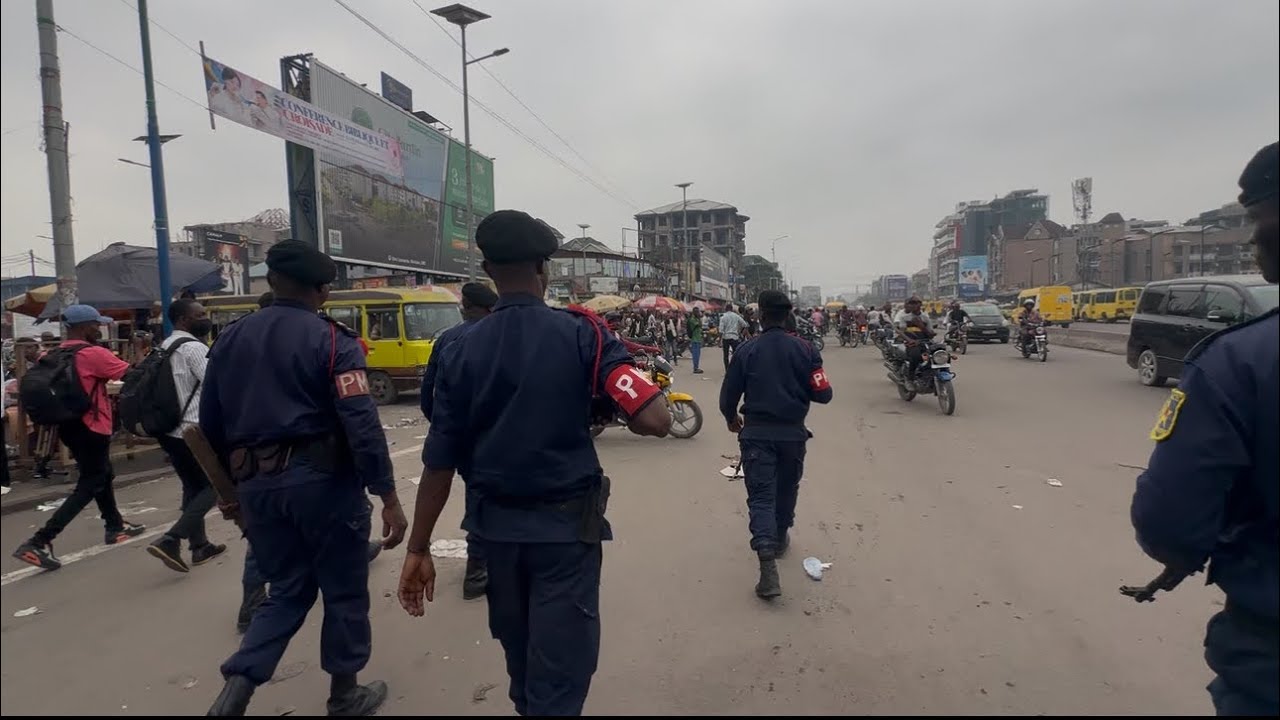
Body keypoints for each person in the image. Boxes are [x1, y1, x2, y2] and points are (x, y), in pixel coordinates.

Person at [397, 210, 672, 717]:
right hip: (565, 534)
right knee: (561, 674)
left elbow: (439, 460)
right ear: (544, 269)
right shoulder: (585, 335)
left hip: (494, 534)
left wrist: (419, 546)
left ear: (488, 271)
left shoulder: (457, 348)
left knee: (521, 661)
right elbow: (656, 420)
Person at [202, 240, 407, 716]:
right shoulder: (334, 341)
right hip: (323, 486)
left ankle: (234, 695)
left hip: (256, 486)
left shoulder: (230, 340)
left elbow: (209, 424)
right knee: (344, 590)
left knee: (286, 590)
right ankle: (345, 695)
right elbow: (361, 424)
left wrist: (230, 492)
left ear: (271, 281)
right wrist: (388, 495)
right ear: (324, 291)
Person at [1130, 141, 1279, 717]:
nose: (1251, 239)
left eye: (1258, 218)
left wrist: (1187, 552)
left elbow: (1171, 515)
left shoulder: (1241, 361)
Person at [12, 305, 144, 570]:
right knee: (91, 481)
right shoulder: (93, 353)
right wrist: (141, 350)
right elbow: (134, 375)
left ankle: (114, 525)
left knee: (102, 474)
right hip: (93, 425)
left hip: (68, 425)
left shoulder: (53, 354)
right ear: (84, 327)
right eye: (96, 324)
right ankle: (40, 540)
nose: (99, 328)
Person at [719, 290, 832, 599]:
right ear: (788, 314)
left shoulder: (746, 350)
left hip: (756, 436)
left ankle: (767, 565)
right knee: (786, 490)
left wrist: (731, 418)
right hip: (793, 436)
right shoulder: (806, 349)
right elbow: (824, 394)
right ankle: (779, 538)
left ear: (761, 315)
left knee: (761, 498)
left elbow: (728, 396)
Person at [420, 281, 499, 600]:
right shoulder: (497, 337)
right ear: (490, 308)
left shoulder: (447, 339)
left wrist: (442, 425)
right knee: (487, 497)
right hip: (493, 435)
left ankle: (483, 562)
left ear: (465, 307)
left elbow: (428, 392)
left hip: (459, 434)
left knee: (477, 493)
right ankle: (478, 569)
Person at [144, 298, 228, 573]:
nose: (205, 318)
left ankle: (200, 545)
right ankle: (171, 539)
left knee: (192, 486)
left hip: (169, 430)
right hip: (193, 430)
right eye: (199, 314)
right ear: (183, 319)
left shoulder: (164, 346)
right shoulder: (193, 348)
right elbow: (216, 385)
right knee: (214, 486)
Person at [893, 297, 935, 379]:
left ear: (920, 304)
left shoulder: (926, 318)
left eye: (915, 303)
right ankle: (911, 377)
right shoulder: (904, 318)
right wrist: (910, 340)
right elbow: (902, 332)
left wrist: (921, 326)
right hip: (911, 344)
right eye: (911, 303)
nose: (912, 305)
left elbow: (930, 335)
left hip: (924, 342)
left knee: (938, 353)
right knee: (915, 355)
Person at [718, 304, 749, 369]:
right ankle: (734, 368)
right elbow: (745, 325)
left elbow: (721, 330)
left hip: (726, 337)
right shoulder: (736, 316)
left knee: (726, 355)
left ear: (726, 309)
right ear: (732, 309)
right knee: (735, 354)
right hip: (734, 337)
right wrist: (741, 334)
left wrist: (719, 340)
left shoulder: (723, 317)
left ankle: (727, 369)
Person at [688, 307, 705, 374]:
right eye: (697, 312)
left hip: (698, 338)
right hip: (695, 339)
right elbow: (700, 324)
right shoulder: (692, 319)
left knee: (697, 354)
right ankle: (695, 368)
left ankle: (696, 367)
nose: (698, 313)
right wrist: (699, 318)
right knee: (696, 355)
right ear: (694, 312)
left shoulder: (696, 319)